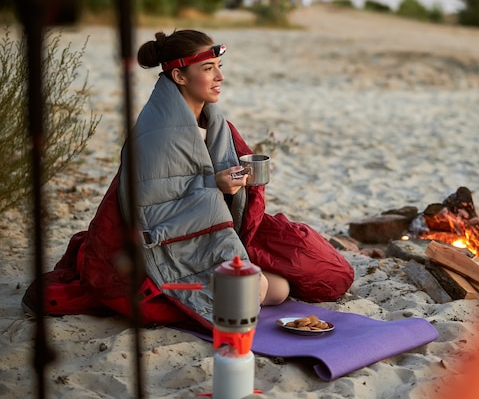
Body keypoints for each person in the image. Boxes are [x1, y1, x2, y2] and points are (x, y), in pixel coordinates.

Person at [22, 29, 354, 332]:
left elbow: (214, 186)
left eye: (219, 65)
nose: (220, 76)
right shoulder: (157, 135)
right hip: (171, 251)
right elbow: (155, 215)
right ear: (179, 75)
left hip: (214, 234)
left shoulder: (215, 121)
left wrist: (237, 184)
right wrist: (215, 187)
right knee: (264, 290)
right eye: (208, 68)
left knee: (292, 282)